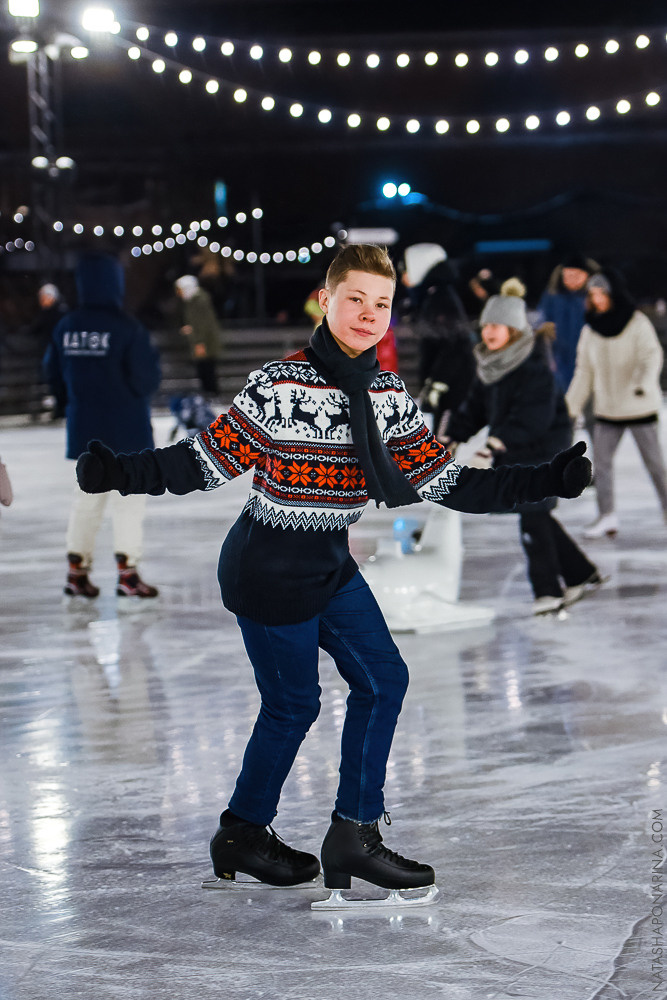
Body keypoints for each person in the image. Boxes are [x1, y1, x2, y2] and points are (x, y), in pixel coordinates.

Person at [75, 244, 591, 903]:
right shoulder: (281, 385)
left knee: (384, 681)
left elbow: (444, 480)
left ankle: (353, 832)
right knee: (293, 707)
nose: (368, 314)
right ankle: (241, 833)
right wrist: (120, 472)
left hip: (328, 562)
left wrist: (545, 479)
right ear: (327, 300)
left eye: (382, 304)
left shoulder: (384, 393)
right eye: (356, 299)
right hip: (266, 567)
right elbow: (203, 462)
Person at [444, 279, 603, 615]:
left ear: (515, 330)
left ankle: (547, 591)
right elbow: (474, 408)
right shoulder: (490, 365)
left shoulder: (533, 369)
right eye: (486, 325)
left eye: (498, 326)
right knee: (537, 513)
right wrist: (451, 437)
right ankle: (580, 572)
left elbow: (531, 418)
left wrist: (492, 445)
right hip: (515, 446)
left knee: (533, 515)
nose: (489, 332)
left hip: (545, 447)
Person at [44, 251, 161, 599]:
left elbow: (52, 374)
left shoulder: (66, 327)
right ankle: (128, 573)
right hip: (127, 431)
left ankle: (76, 572)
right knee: (128, 502)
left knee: (86, 500)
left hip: (86, 430)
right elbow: (146, 378)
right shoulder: (127, 327)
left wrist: (72, 403)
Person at [566, 269, 667, 539]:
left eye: (602, 293)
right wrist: (570, 407)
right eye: (593, 294)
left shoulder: (636, 323)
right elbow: (583, 371)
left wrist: (642, 383)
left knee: (656, 465)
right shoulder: (591, 329)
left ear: (613, 293)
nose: (597, 299)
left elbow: (651, 356)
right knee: (602, 465)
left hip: (638, 407)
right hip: (607, 410)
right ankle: (607, 515)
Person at [401, 243, 476, 437]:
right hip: (447, 383)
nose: (402, 276)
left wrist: (439, 381)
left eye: (406, 269)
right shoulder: (431, 295)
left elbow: (454, 343)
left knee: (444, 443)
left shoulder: (440, 297)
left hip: (451, 386)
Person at [537, 253, 598, 395]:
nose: (571, 280)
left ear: (588, 276)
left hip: (590, 356)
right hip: (562, 359)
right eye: (567, 275)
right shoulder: (552, 297)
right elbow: (542, 322)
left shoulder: (595, 297)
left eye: (576, 275)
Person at [174, 274, 222, 396]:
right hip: (201, 339)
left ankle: (211, 392)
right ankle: (209, 392)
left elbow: (203, 323)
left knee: (206, 367)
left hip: (204, 341)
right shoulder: (192, 300)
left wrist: (200, 342)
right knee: (204, 367)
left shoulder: (199, 300)